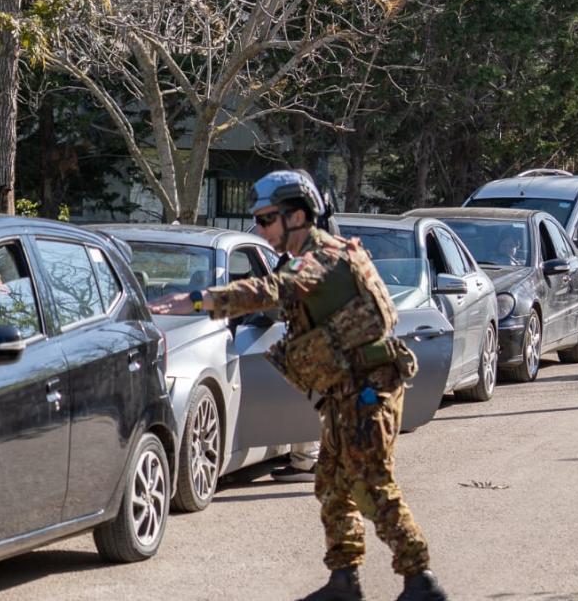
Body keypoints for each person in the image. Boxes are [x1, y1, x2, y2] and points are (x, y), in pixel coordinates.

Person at [151, 170, 445, 601]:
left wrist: (201, 301)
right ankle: (345, 580)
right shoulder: (312, 257)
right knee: (331, 484)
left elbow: (276, 288)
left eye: (267, 219)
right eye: (259, 219)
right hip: (345, 392)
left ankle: (421, 579)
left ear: (299, 217)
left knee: (371, 482)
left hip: (369, 390)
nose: (260, 229)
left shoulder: (322, 256)